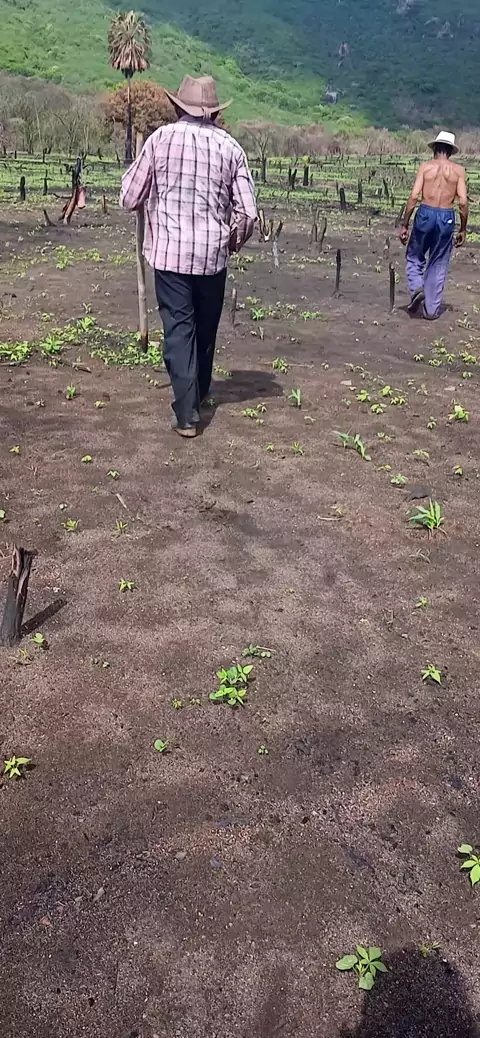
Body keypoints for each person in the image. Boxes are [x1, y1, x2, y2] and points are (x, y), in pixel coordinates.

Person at [120, 75, 258, 437]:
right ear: (214, 112)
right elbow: (248, 213)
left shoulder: (160, 140)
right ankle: (199, 391)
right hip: (212, 256)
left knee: (180, 329)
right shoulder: (230, 148)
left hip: (170, 255)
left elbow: (130, 197)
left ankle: (186, 413)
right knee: (205, 327)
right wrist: (231, 242)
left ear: (178, 107)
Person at [399, 131, 468, 320]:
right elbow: (463, 202)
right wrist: (463, 228)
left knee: (414, 256)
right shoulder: (458, 171)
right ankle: (430, 310)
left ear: (435, 148)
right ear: (450, 151)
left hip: (425, 212)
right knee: (438, 262)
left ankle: (417, 289)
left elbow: (414, 196)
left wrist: (405, 224)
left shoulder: (425, 167)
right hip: (446, 216)